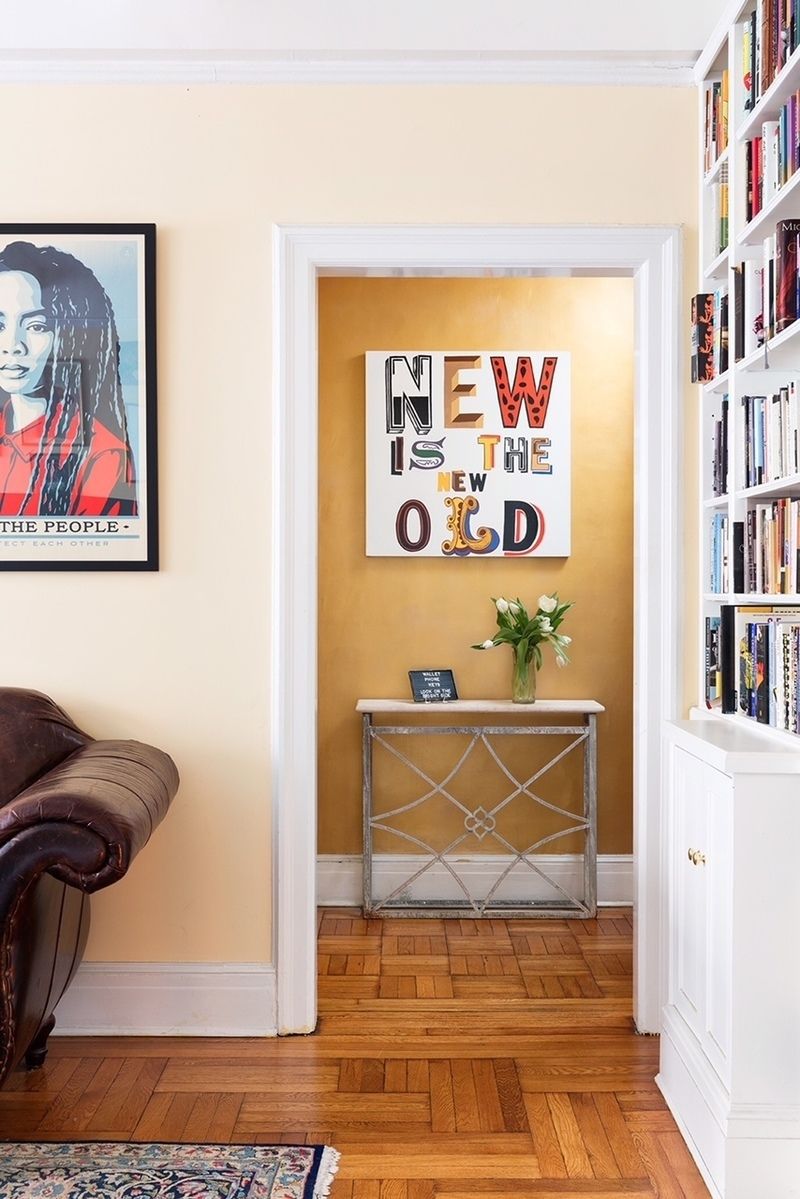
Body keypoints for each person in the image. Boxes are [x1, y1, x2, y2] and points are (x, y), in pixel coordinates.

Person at [0, 240, 137, 517]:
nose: (12, 345)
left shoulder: (103, 454)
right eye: (0, 325)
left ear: (67, 337)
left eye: (36, 326)